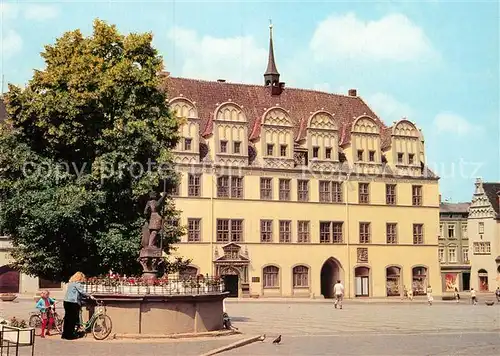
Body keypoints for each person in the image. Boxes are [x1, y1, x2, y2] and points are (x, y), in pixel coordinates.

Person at [61, 272, 96, 340]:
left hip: (66, 301)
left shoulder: (70, 283)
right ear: (80, 278)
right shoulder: (77, 284)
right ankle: (70, 335)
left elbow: (75, 293)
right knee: (72, 319)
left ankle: (64, 334)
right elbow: (81, 291)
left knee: (67, 319)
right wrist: (89, 295)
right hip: (73, 302)